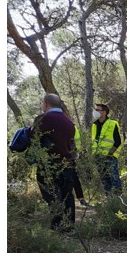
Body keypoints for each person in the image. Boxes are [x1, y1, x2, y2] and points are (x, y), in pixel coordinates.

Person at [33, 93, 78, 229]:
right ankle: (69, 225)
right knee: (67, 194)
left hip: (49, 165)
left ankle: (57, 225)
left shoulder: (44, 119)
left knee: (52, 193)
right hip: (67, 164)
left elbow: (33, 136)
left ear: (46, 103)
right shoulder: (69, 121)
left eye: (42, 103)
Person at [90, 102, 122, 195]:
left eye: (97, 110)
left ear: (104, 112)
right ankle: (108, 199)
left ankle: (118, 199)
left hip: (110, 157)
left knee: (114, 178)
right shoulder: (94, 125)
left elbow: (118, 141)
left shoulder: (113, 124)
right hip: (98, 157)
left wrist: (110, 153)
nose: (95, 112)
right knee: (104, 179)